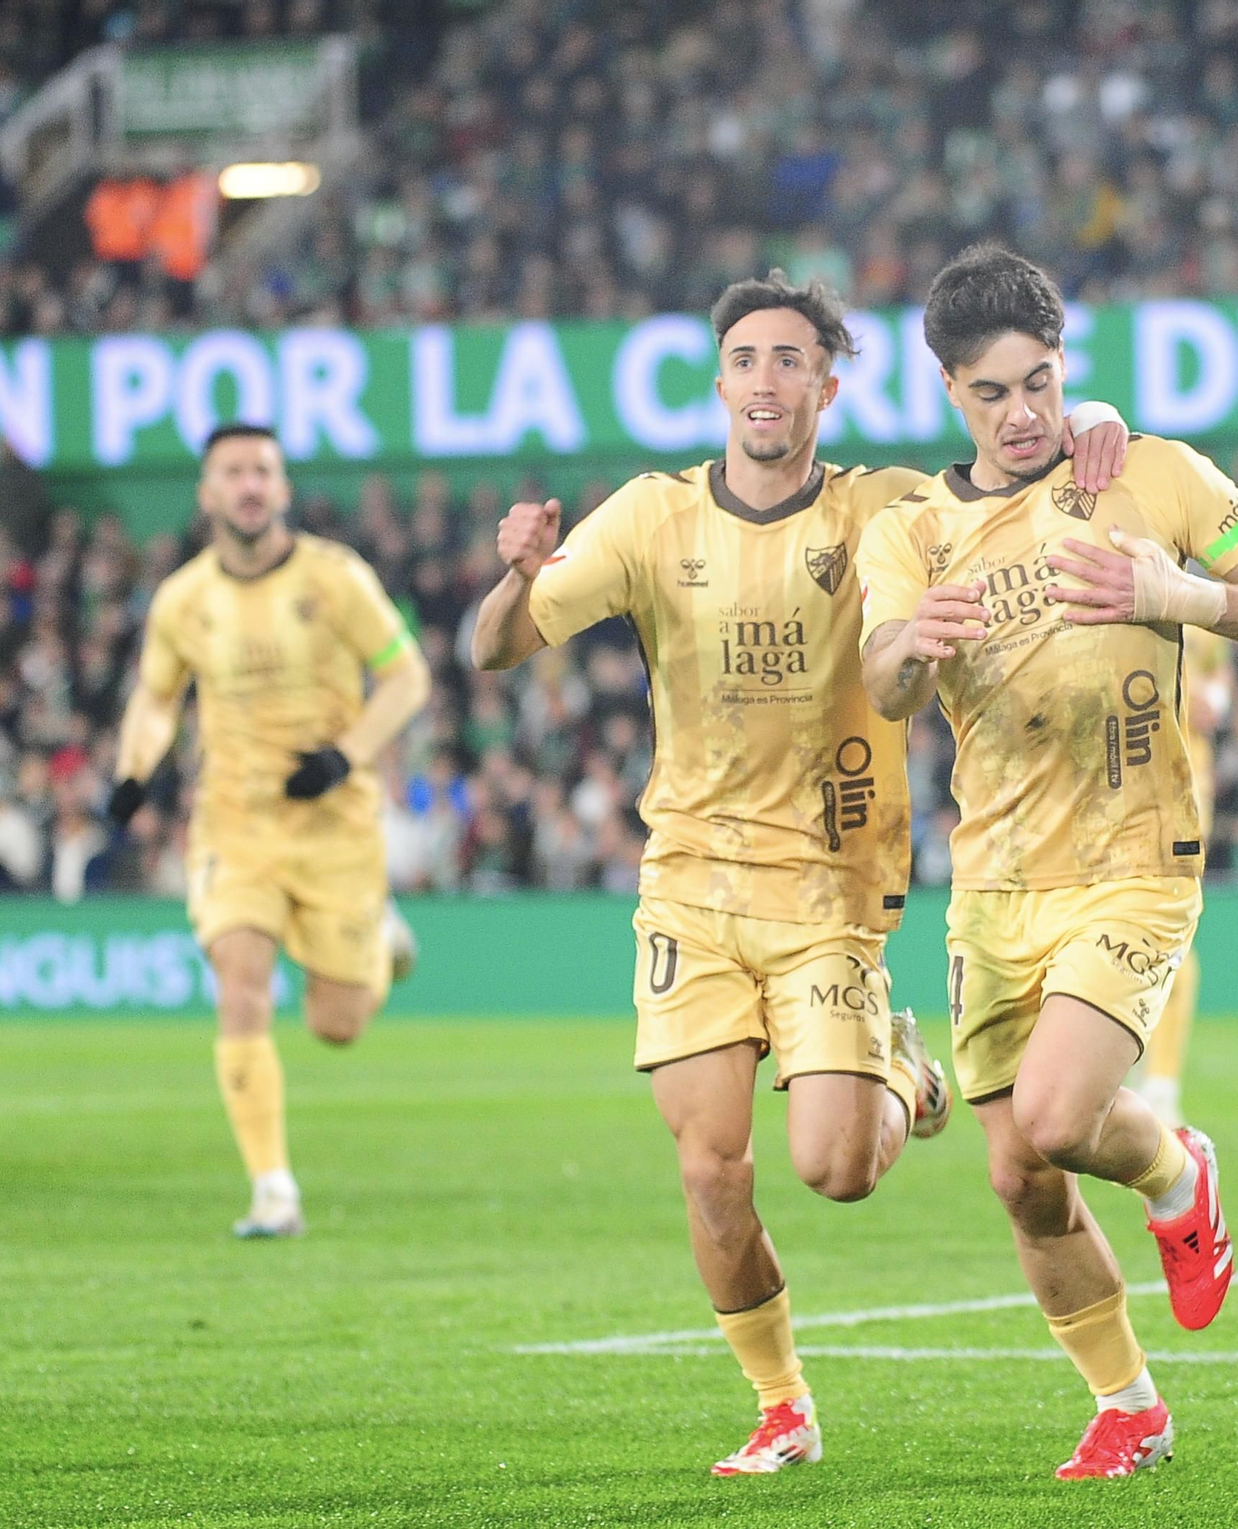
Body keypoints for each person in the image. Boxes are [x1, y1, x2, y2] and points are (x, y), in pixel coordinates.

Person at [470, 270, 1129, 1477]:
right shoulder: (649, 516)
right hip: (689, 885)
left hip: (830, 888)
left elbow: (1012, 461)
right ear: (719, 382)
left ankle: (903, 1066)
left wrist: (1096, 428)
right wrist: (515, 573)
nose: (765, 381)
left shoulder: (883, 507)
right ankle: (781, 1403)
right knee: (710, 1164)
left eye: (790, 361)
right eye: (745, 360)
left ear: (829, 382)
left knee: (836, 1169)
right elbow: (494, 649)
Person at [858, 244, 1238, 1481]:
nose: (1023, 414)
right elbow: (880, 678)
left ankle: (1181, 1169)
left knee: (1064, 1115)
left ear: (1065, 363)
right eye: (990, 393)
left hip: (1134, 859)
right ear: (947, 392)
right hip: (996, 883)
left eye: (1040, 381)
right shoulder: (911, 531)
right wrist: (910, 646)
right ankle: (1127, 1403)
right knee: (1020, 1172)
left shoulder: (1154, 475)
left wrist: (1176, 593)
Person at [108, 423, 430, 1238]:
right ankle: (273, 1190)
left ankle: (379, 939)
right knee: (241, 982)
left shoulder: (335, 577)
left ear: (282, 489)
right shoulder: (183, 599)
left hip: (334, 825)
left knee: (337, 1022)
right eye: (233, 473)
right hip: (234, 823)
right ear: (207, 495)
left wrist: (344, 755)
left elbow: (407, 675)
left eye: (263, 471)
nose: (250, 485)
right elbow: (154, 697)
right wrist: (133, 771)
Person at [1139, 624, 1234, 1128]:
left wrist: (1212, 700)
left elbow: (1218, 683)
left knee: (1169, 927)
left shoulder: (1197, 609)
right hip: (1113, 781)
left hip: (1183, 785)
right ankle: (1125, 1059)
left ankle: (1160, 1084)